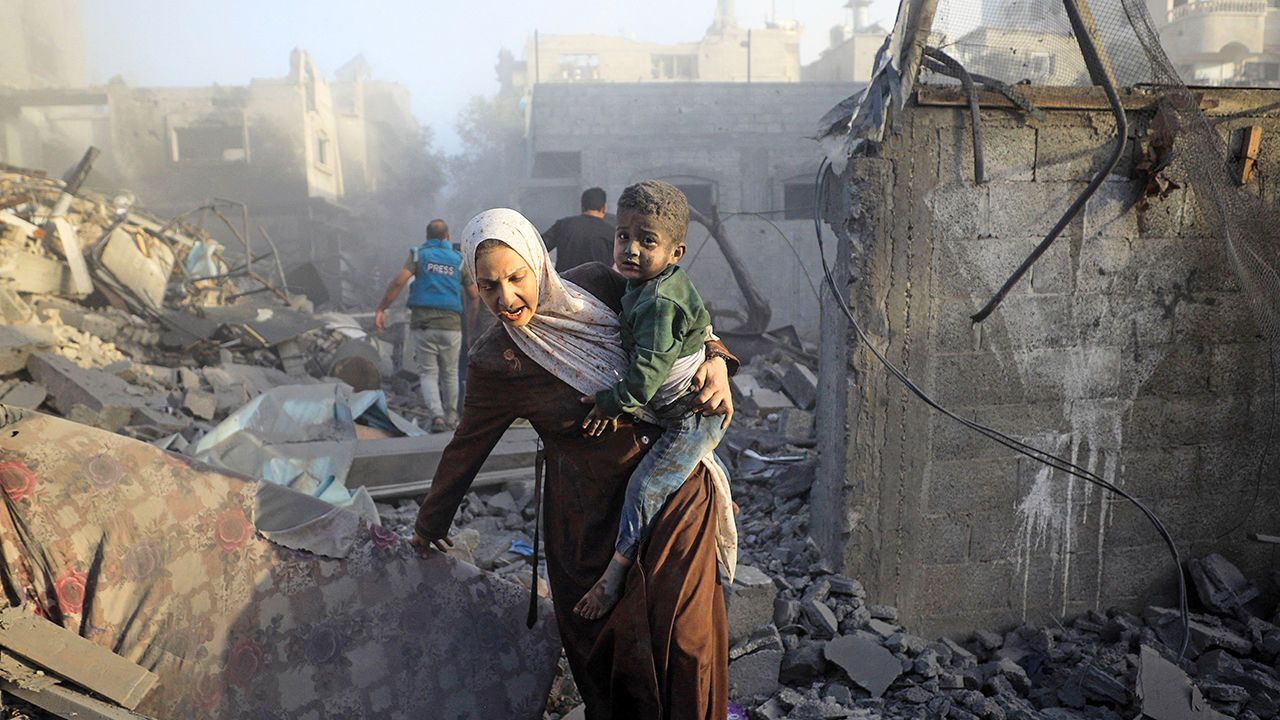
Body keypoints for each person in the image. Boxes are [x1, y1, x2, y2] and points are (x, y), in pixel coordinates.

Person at [412, 208, 737, 719]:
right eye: (489, 286)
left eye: (516, 278)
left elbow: (678, 310)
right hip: (588, 521)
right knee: (615, 659)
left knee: (684, 641)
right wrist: (429, 524)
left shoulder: (596, 286)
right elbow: (467, 446)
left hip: (674, 493)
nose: (507, 299)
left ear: (539, 264)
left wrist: (718, 357)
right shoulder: (497, 361)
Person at [575, 180, 729, 620]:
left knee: (644, 487)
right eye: (624, 236)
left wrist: (609, 403)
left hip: (689, 417)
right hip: (678, 405)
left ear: (675, 254)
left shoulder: (659, 302)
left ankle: (615, 574)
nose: (631, 249)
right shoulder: (644, 285)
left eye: (648, 241)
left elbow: (644, 381)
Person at [374, 219, 478, 433]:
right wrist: (471, 327)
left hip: (423, 325)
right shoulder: (459, 260)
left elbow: (398, 281)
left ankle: (437, 417)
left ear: (427, 237)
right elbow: (474, 296)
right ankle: (453, 418)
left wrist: (382, 308)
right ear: (448, 237)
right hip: (452, 326)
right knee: (450, 373)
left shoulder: (418, 255)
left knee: (428, 373)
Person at [542, 187, 615, 272]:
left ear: (582, 207)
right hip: (598, 283)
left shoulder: (563, 225)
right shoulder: (611, 232)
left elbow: (539, 247)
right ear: (604, 208)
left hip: (565, 282)